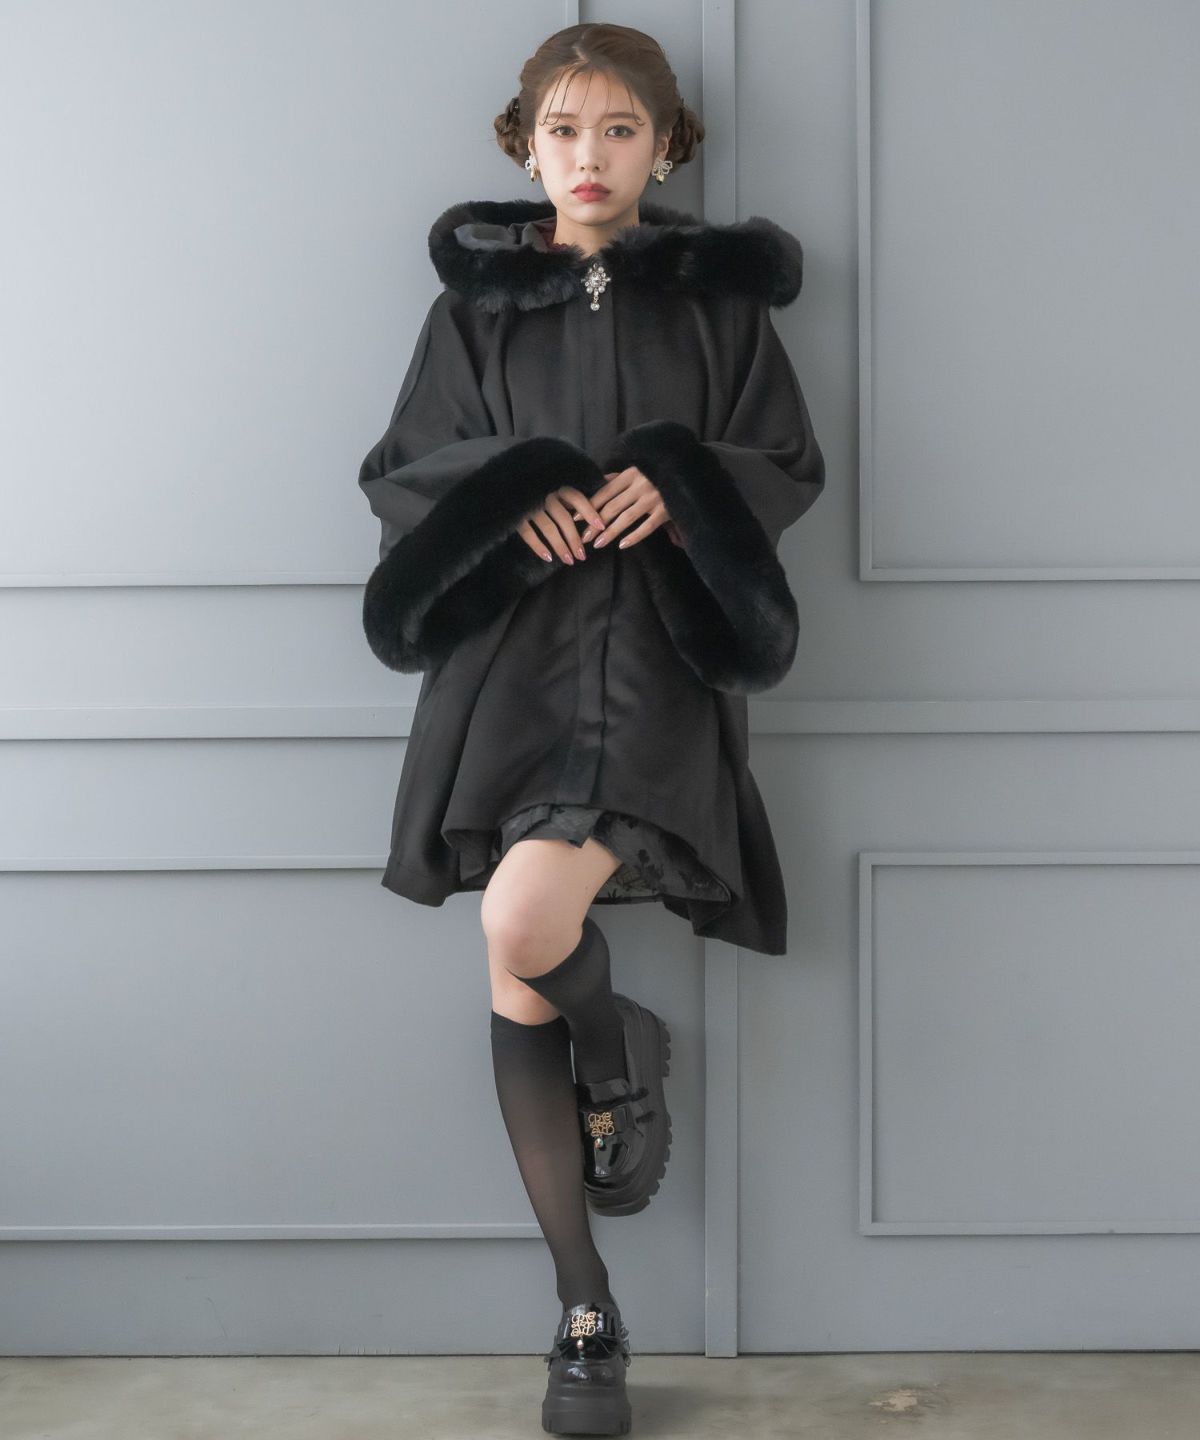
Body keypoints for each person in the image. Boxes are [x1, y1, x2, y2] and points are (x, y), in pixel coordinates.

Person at [356, 21, 825, 1436]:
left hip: (656, 676)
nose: (591, 156)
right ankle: (584, 1313)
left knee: (522, 925)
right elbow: (402, 470)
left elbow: (787, 462)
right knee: (515, 974)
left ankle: (618, 1049)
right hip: (512, 671)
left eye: (621, 130)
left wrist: (679, 485)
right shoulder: (475, 313)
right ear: (526, 147)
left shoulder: (721, 309)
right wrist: (520, 489)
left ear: (665, 148)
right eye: (564, 129)